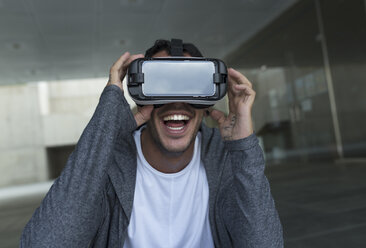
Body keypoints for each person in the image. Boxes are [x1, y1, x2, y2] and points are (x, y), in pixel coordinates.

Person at [21, 39, 283, 247]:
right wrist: (110, 115)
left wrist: (243, 147)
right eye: (162, 84)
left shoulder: (224, 156)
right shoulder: (110, 159)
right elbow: (46, 242)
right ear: (141, 94)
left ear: (207, 102)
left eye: (190, 84)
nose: (177, 101)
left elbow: (264, 243)